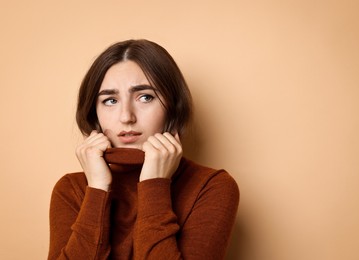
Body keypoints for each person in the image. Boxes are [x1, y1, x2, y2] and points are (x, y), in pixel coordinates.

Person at [48, 39, 239, 259]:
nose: (126, 117)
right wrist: (98, 190)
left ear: (173, 109)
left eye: (145, 97)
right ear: (95, 115)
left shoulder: (211, 186)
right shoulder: (71, 189)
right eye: (110, 100)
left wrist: (154, 186)